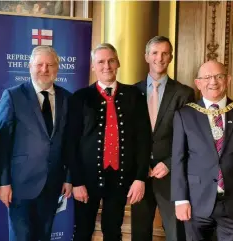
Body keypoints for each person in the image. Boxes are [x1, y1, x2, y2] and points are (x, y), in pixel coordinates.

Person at [63, 43, 151, 241]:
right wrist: (76, 181)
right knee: (83, 232)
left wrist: (140, 178)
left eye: (111, 60)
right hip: (86, 179)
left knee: (113, 232)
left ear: (118, 63)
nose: (107, 66)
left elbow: (144, 140)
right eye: (101, 62)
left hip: (120, 179)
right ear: (93, 66)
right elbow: (70, 143)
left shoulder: (134, 96)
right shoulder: (80, 98)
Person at [171, 60, 233, 240]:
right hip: (195, 202)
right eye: (207, 77)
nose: (213, 82)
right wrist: (180, 199)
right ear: (198, 83)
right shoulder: (185, 115)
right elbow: (178, 160)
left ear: (228, 80)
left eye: (219, 76)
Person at [0, 46, 72, 241]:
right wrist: (3, 183)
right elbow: (1, 144)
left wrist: (69, 178)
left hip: (53, 184)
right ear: (29, 67)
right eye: (39, 64)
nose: (44, 69)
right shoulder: (13, 96)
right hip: (20, 185)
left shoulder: (67, 98)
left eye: (50, 65)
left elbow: (71, 142)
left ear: (57, 69)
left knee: (44, 237)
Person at [132, 36, 194, 241]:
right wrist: (139, 167)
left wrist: (168, 164)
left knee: (176, 233)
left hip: (170, 175)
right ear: (146, 57)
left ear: (171, 57)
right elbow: (129, 136)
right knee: (140, 233)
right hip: (140, 176)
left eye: (165, 53)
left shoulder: (184, 93)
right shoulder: (132, 92)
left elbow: (189, 137)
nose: (160, 58)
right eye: (155, 53)